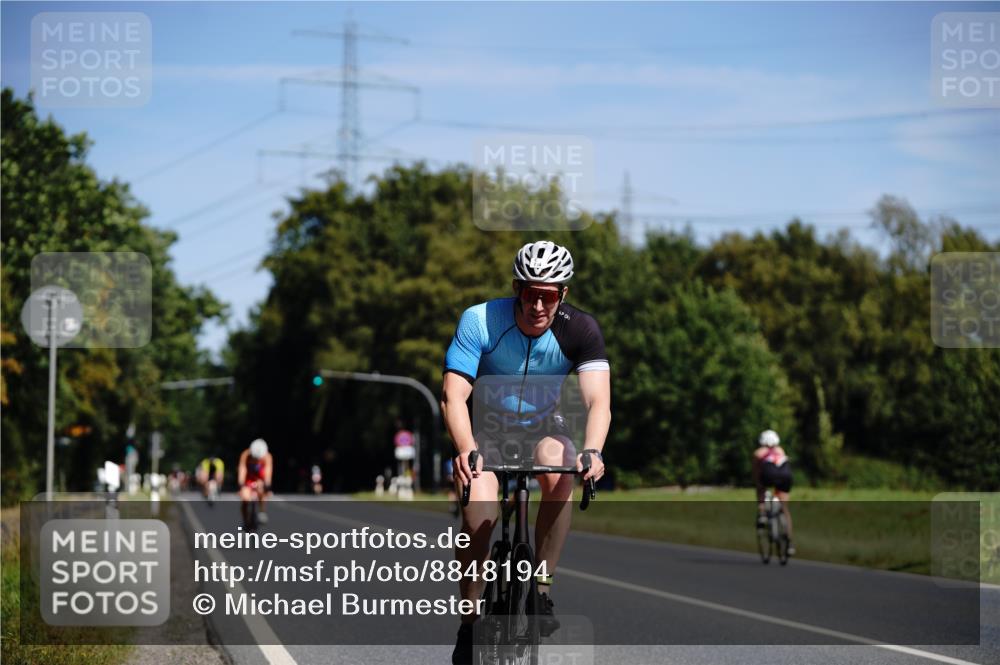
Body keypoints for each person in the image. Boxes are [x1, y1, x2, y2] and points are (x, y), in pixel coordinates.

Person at [442, 240, 611, 664]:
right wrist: (465, 450)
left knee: (561, 468)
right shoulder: (480, 320)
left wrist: (593, 450)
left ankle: (541, 587)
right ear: (517, 288)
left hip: (541, 426)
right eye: (531, 292)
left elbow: (598, 402)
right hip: (486, 428)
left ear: (563, 295)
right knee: (478, 513)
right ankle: (470, 620)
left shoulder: (580, 329)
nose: (538, 304)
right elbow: (453, 395)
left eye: (549, 295)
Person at [752, 429, 795, 555]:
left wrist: (758, 484)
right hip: (786, 477)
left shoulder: (759, 453)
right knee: (784, 508)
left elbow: (756, 473)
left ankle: (762, 514)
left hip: (768, 475)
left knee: (760, 488)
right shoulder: (781, 451)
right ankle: (790, 542)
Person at [238, 438, 273, 527]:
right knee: (245, 499)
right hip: (248, 479)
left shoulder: (267, 457)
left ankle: (262, 510)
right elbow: (242, 469)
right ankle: (245, 521)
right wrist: (241, 484)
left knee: (261, 490)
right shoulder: (245, 455)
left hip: (259, 479)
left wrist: (267, 485)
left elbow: (268, 472)